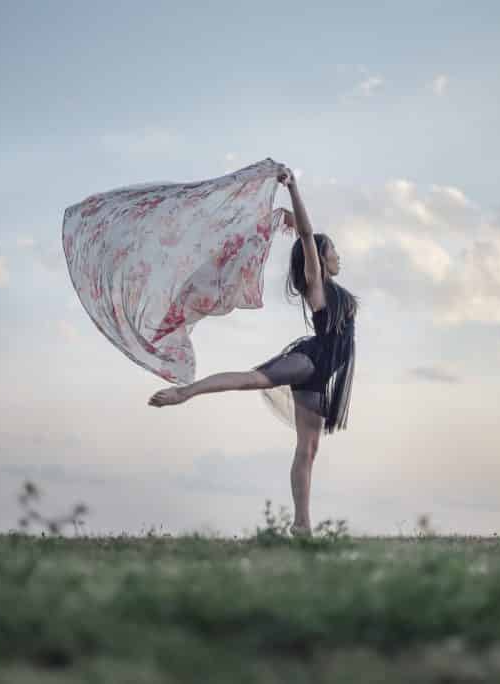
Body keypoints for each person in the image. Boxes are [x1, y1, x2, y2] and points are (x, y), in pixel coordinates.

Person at [148, 164, 358, 535]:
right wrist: (293, 189)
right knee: (252, 380)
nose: (339, 256)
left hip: (324, 371)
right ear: (321, 259)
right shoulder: (316, 284)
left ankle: (301, 526)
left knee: (308, 450)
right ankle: (186, 391)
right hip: (312, 361)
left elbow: (305, 233)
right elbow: (307, 234)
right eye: (334, 251)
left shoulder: (330, 287)